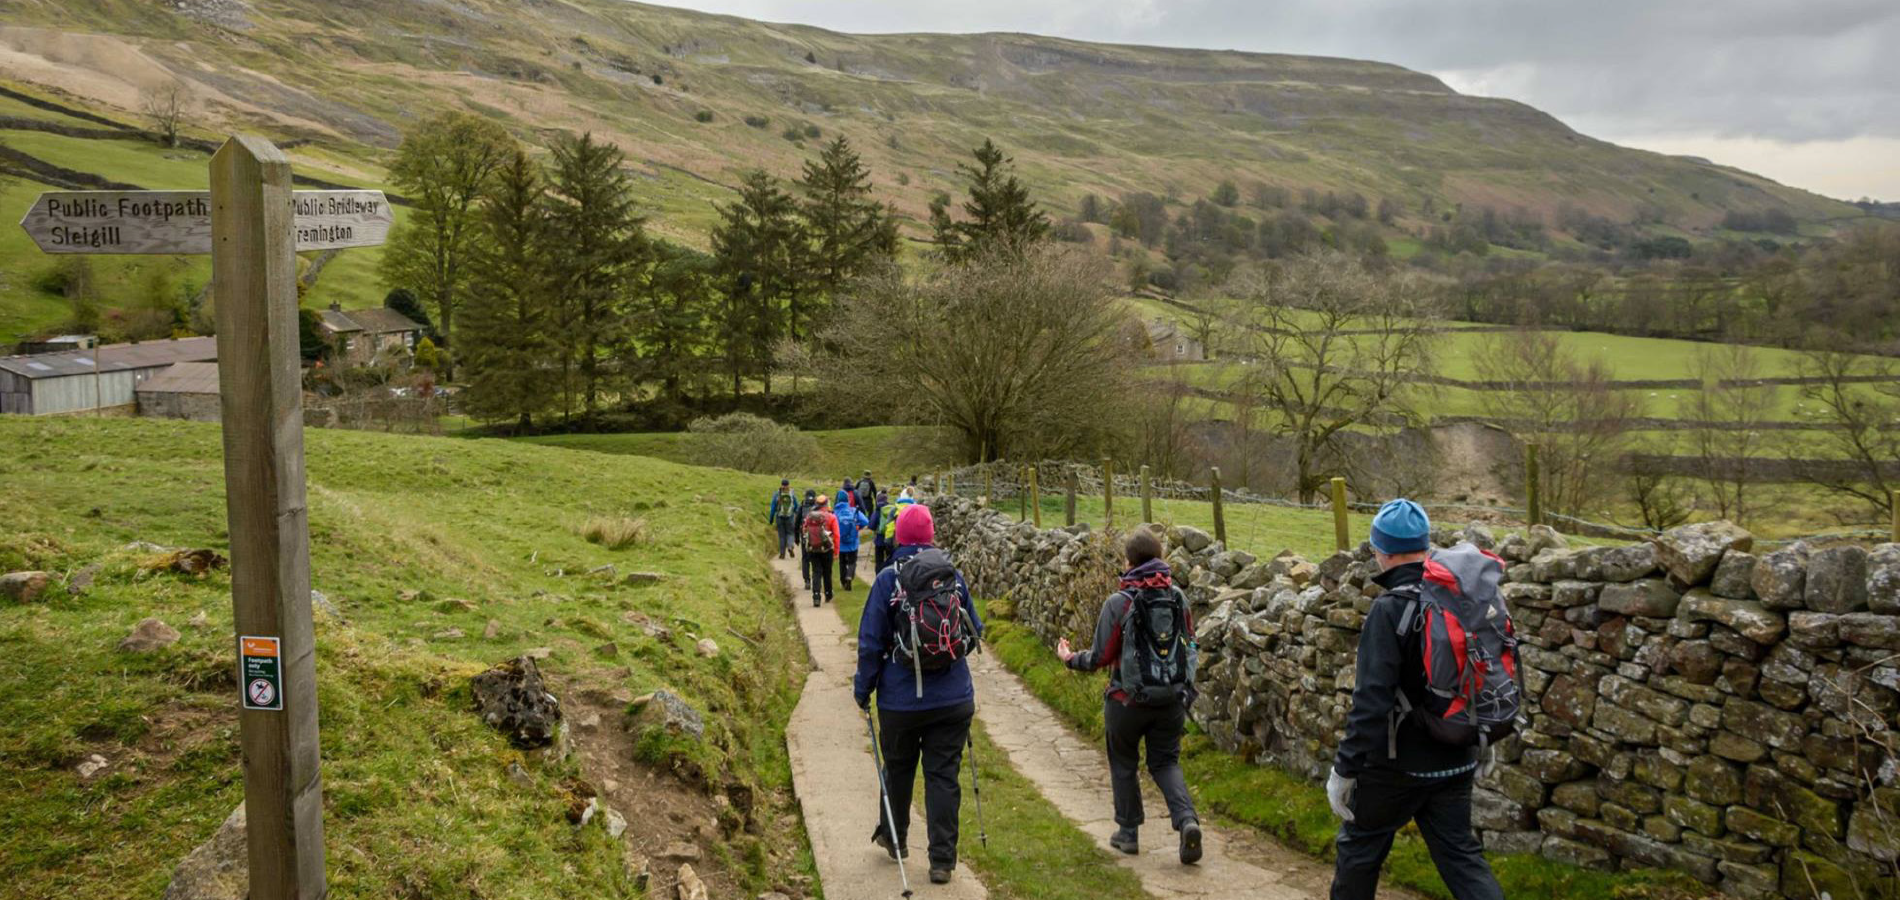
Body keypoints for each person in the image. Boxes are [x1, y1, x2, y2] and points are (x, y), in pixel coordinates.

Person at [1327, 499, 1504, 900]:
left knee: (1360, 849)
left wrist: (1344, 771)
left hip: (1395, 767)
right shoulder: (1462, 597)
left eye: (1375, 550)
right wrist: (1483, 737)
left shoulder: (1390, 610)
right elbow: (1487, 672)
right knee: (1461, 857)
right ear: (1425, 547)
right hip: (1456, 756)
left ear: (1383, 552)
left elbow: (1371, 702)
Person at [853, 504, 983, 886]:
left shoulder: (886, 580)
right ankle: (942, 861)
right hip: (953, 698)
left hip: (900, 701)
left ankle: (896, 840)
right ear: (930, 536)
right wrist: (946, 661)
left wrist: (864, 690)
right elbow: (974, 631)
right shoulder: (952, 577)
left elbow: (870, 643)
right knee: (943, 776)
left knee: (898, 768)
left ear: (898, 537)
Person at [1057, 529, 1203, 864]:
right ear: (1161, 558)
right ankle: (1187, 822)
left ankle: (1128, 833)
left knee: (1123, 762)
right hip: (1171, 699)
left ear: (1129, 561)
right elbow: (1190, 643)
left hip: (1126, 700)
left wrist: (1069, 659)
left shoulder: (1119, 602)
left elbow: (1100, 656)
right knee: (1166, 762)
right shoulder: (1178, 598)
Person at [802, 496, 841, 607]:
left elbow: (804, 529)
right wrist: (836, 551)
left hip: (813, 548)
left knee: (816, 572)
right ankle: (828, 594)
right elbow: (837, 535)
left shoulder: (810, 516)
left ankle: (816, 596)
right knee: (827, 572)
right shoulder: (831, 517)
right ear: (826, 504)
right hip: (827, 548)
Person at [836, 494, 869, 591]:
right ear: (848, 500)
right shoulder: (854, 511)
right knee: (852, 561)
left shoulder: (836, 512)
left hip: (841, 543)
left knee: (842, 562)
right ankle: (849, 576)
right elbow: (865, 521)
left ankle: (843, 581)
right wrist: (857, 528)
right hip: (853, 542)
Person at [768, 479, 798, 560]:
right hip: (790, 517)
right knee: (790, 533)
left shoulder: (777, 494)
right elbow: (796, 506)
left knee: (781, 536)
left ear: (781, 484)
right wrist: (796, 514)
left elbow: (773, 507)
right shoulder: (792, 493)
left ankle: (782, 554)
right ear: (788, 485)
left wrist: (770, 519)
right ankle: (790, 546)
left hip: (779, 517)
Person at [796, 489, 819, 591]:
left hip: (804, 535)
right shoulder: (818, 506)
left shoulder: (802, 506)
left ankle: (807, 581)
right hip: (816, 536)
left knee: (805, 558)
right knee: (815, 558)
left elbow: (796, 523)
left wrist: (797, 537)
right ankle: (816, 580)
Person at [869, 489, 894, 574]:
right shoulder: (892, 509)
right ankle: (889, 574)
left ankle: (879, 576)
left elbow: (871, 525)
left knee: (879, 560)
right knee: (890, 558)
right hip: (889, 538)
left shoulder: (877, 510)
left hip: (879, 539)